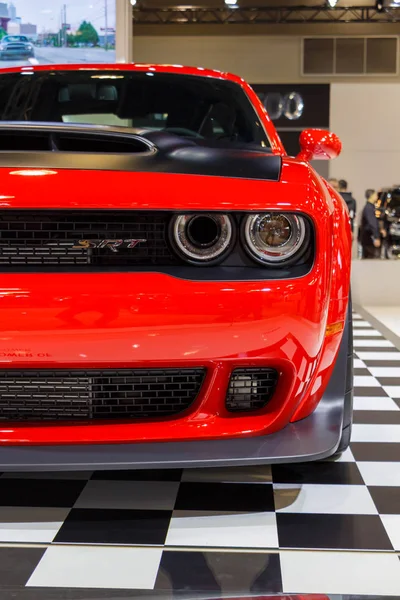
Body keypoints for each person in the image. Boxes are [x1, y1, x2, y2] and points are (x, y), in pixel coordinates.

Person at [359, 189, 381, 259]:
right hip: (369, 238)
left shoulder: (370, 207)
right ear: (371, 196)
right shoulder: (369, 208)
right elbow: (372, 223)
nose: (377, 196)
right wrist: (376, 237)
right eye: (375, 195)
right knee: (371, 260)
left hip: (368, 237)